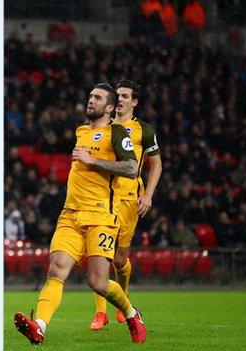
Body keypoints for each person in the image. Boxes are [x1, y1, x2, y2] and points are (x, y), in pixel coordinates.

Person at [14, 83, 147, 344]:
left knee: (98, 282)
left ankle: (131, 313)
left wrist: (93, 160)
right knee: (56, 269)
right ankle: (39, 326)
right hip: (71, 215)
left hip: (101, 217)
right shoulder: (81, 131)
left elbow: (132, 169)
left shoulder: (118, 133)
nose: (91, 101)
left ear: (110, 107)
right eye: (90, 96)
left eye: (97, 98)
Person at [89, 79, 162, 330]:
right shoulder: (100, 127)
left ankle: (123, 302)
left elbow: (156, 165)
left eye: (124, 95)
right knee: (99, 255)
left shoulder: (144, 130)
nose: (119, 99)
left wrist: (149, 195)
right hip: (100, 200)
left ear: (134, 102)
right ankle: (100, 313)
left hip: (129, 201)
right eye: (116, 95)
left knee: (120, 259)